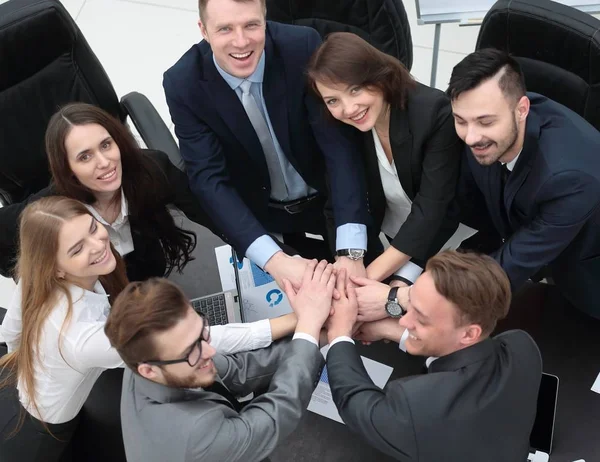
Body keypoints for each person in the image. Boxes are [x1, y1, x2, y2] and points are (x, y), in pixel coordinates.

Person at [0, 196, 300, 462]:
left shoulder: (38, 277)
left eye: (92, 228)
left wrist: (31, 362)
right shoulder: (80, 337)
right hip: (45, 429)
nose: (99, 245)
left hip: (26, 387)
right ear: (56, 267)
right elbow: (205, 341)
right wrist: (291, 322)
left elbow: (10, 334)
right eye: (77, 249)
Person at [163, 0, 371, 290]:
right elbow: (209, 180)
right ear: (204, 30)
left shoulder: (301, 46)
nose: (241, 41)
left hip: (330, 199)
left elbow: (337, 146)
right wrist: (274, 259)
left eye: (251, 25)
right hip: (262, 217)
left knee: (368, 293)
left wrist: (350, 250)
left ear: (265, 20)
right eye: (225, 29)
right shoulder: (183, 83)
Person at [104, 260, 336, 462]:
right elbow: (275, 416)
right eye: (191, 350)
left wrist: (318, 333)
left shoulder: (150, 356)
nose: (209, 350)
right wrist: (308, 328)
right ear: (148, 371)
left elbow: (240, 371)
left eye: (202, 333)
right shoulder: (195, 434)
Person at [326, 250, 542, 462]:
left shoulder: (414, 404)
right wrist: (392, 331)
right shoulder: (522, 346)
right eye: (409, 305)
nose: (403, 321)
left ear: (469, 333)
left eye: (421, 319)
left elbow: (356, 403)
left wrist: (339, 334)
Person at [306, 32, 476, 286]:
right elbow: (339, 199)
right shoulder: (345, 125)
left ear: (378, 76)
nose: (349, 108)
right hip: (395, 238)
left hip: (451, 237)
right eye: (333, 100)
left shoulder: (433, 113)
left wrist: (369, 279)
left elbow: (433, 210)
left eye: (355, 90)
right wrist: (348, 262)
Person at [448, 48, 600, 318]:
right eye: (461, 121)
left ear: (522, 109)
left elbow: (509, 266)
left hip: (586, 272)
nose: (471, 137)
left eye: (485, 122)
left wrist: (407, 299)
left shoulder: (571, 177)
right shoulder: (485, 125)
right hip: (527, 238)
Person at [0, 102, 219, 282]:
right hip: (94, 304)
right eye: (85, 156)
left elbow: (208, 207)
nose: (105, 162)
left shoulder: (150, 169)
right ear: (68, 168)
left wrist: (249, 244)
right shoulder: (51, 210)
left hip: (148, 277)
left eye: (106, 145)